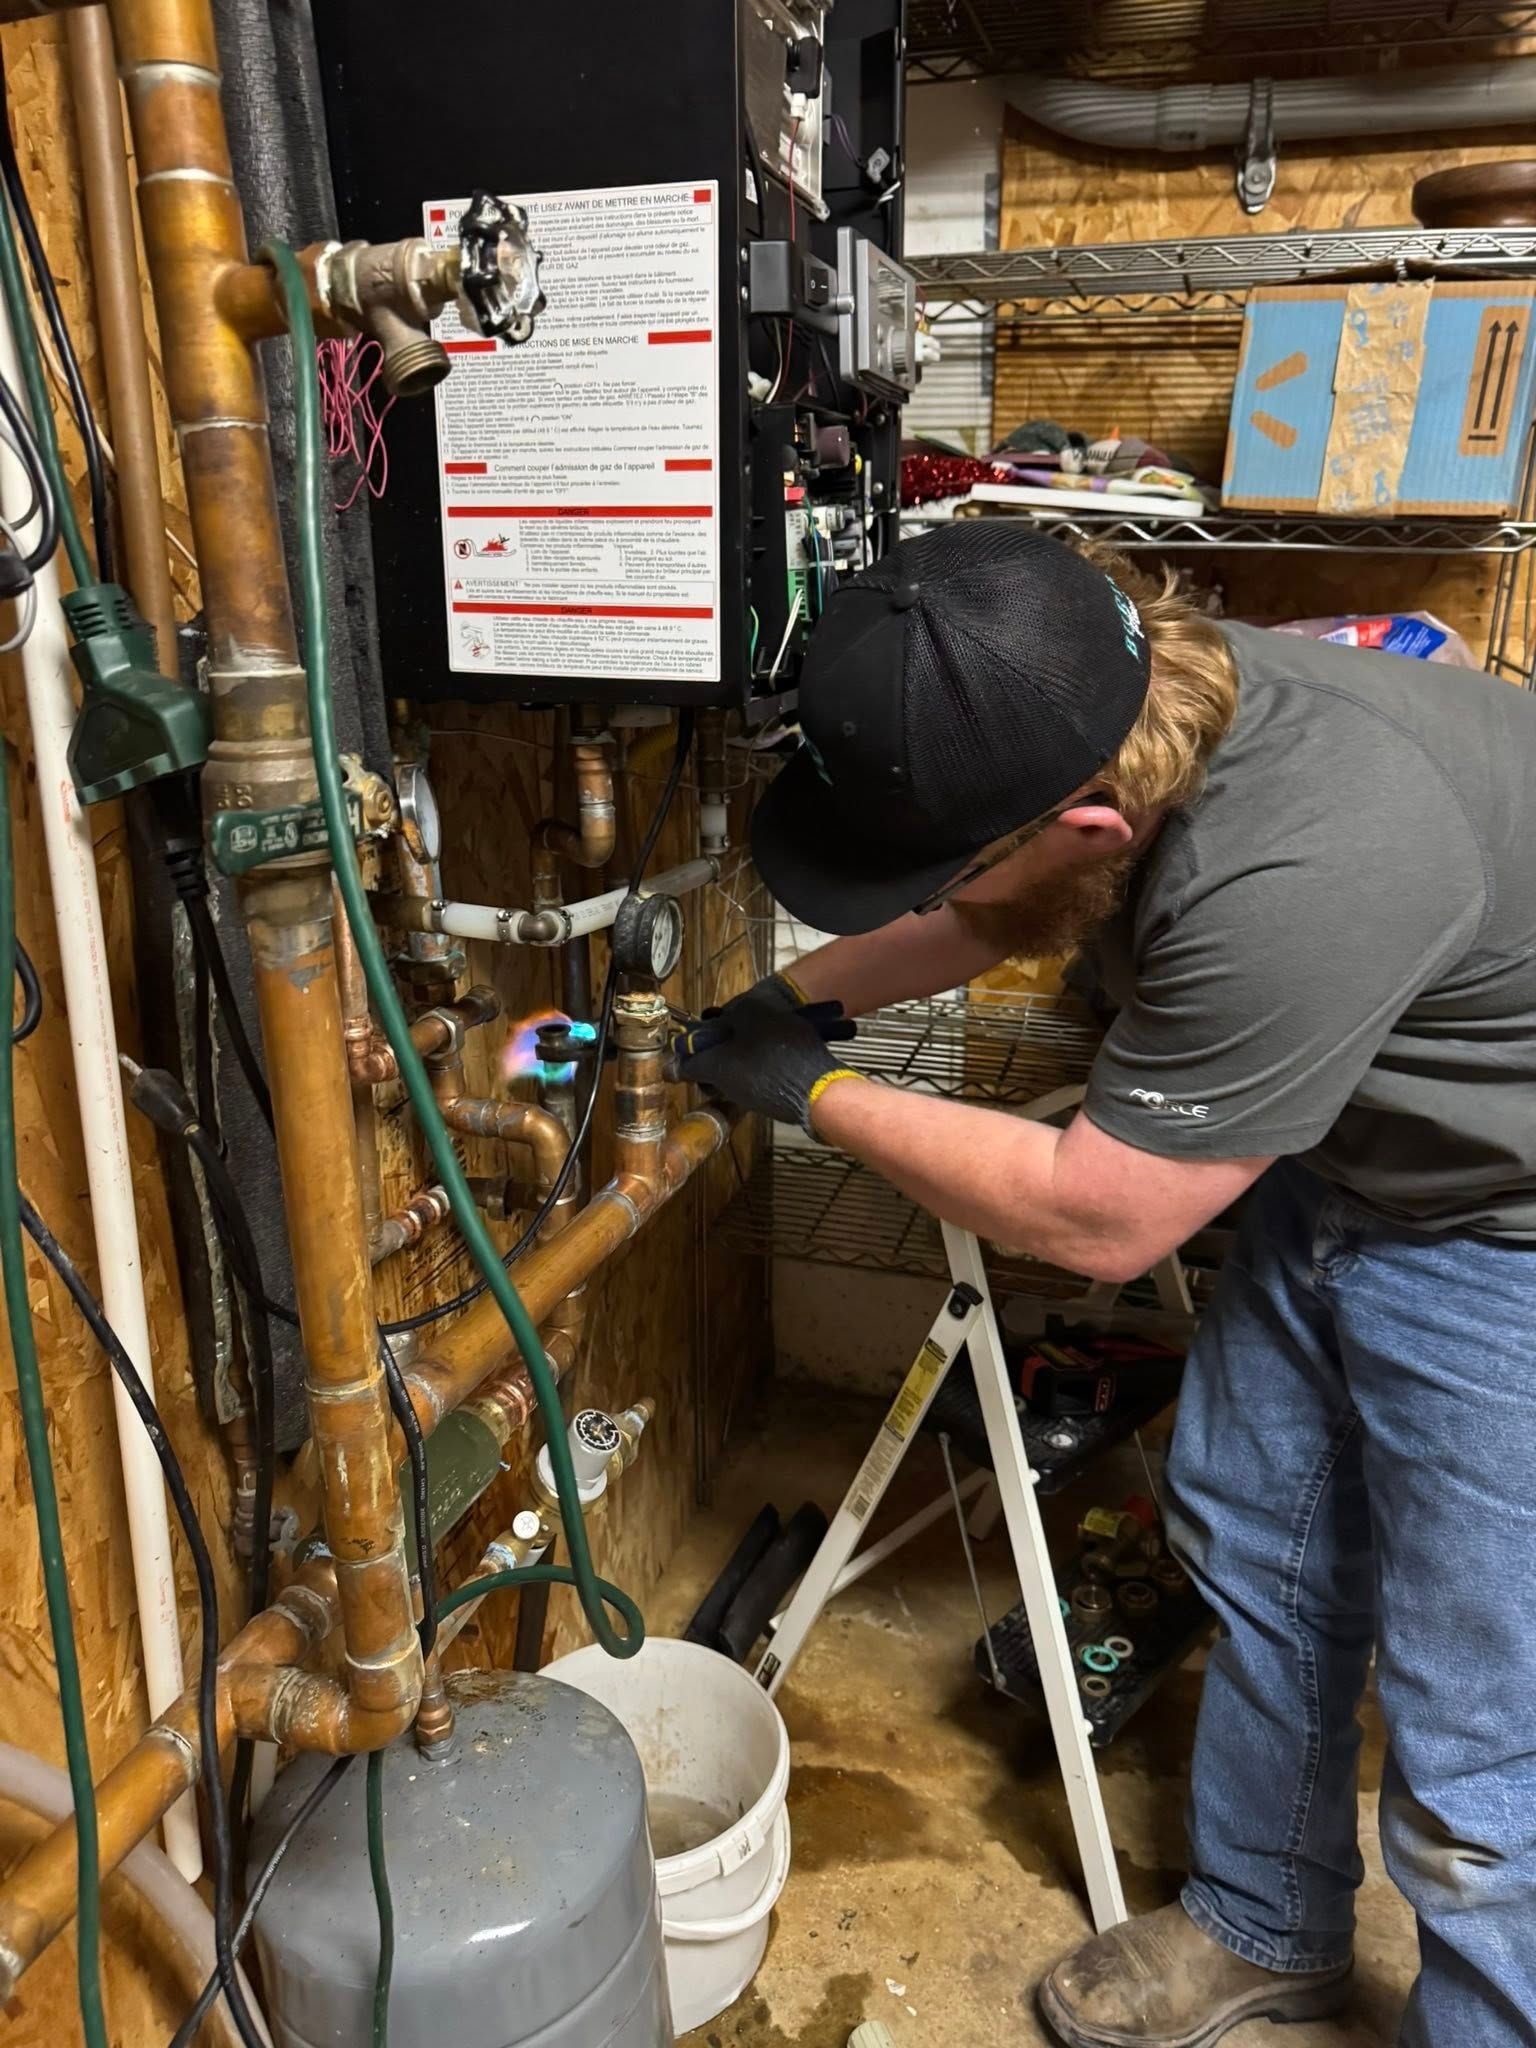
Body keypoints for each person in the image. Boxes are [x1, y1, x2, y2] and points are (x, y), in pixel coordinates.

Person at [676, 524, 1536, 2048]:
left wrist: (805, 1094)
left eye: (952, 854)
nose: (926, 893)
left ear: (1088, 823)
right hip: (1349, 1154)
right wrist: (789, 1001)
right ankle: (1267, 1925)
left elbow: (1096, 1219)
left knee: (1482, 1735)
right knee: (1259, 1542)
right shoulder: (1145, 704)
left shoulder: (1303, 861)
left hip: (1507, 1230)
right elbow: (987, 908)